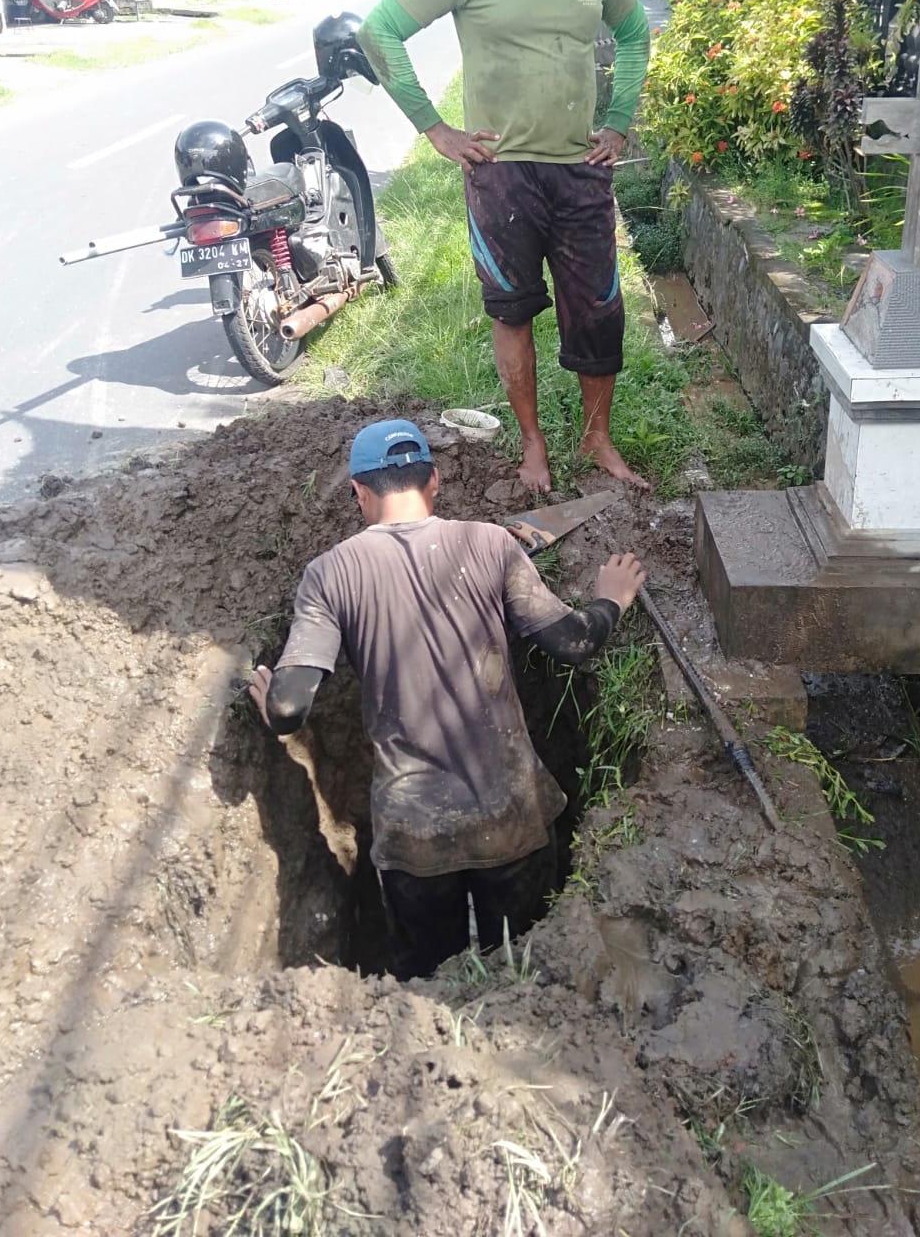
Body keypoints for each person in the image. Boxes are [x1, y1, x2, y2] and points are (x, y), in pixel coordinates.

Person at [248, 417, 647, 981]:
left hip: (416, 837)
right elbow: (573, 641)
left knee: (423, 980)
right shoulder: (490, 543)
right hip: (512, 819)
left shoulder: (329, 575)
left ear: (359, 492)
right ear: (434, 481)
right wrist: (612, 599)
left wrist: (271, 708)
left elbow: (290, 706)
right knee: (525, 970)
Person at [358, 0, 652, 494]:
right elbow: (381, 32)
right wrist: (434, 128)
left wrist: (617, 121)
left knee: (600, 310)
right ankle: (532, 446)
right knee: (512, 310)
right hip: (500, 176)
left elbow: (634, 34)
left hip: (581, 171)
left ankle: (597, 439)